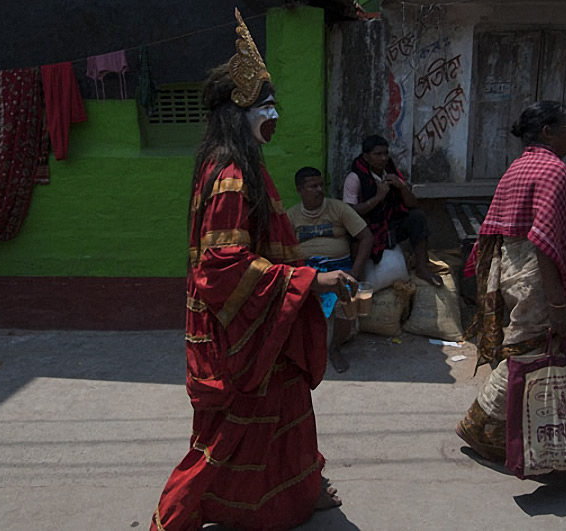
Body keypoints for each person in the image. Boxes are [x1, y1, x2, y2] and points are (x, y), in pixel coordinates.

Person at [151, 10, 355, 530]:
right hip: (242, 333)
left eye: (274, 104)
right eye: (265, 105)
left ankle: (299, 490)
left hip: (266, 325)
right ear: (236, 112)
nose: (275, 115)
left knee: (284, 415)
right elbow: (222, 270)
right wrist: (309, 280)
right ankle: (181, 512)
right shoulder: (231, 174)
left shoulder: (236, 164)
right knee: (231, 435)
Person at [455, 101, 566, 463]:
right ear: (548, 132)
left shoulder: (520, 167)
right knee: (528, 357)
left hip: (516, 275)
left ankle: (529, 431)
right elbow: (544, 243)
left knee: (531, 355)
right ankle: (481, 428)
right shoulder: (550, 171)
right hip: (538, 282)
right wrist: (557, 304)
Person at [287, 166, 373, 373]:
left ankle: (334, 348)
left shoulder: (339, 209)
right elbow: (282, 248)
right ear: (300, 190)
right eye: (312, 186)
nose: (318, 190)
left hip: (339, 268)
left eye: (320, 185)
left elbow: (366, 237)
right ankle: (302, 351)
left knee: (346, 305)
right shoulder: (291, 215)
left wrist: (355, 270)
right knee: (292, 306)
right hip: (307, 270)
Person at [343, 135, 443, 287]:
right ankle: (357, 279)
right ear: (366, 157)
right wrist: (378, 197)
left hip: (390, 223)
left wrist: (401, 186)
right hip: (368, 226)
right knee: (360, 237)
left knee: (417, 217)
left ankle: (422, 267)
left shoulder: (391, 172)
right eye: (378, 154)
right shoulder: (355, 177)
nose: (383, 158)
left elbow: (412, 204)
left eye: (385, 153)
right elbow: (349, 212)